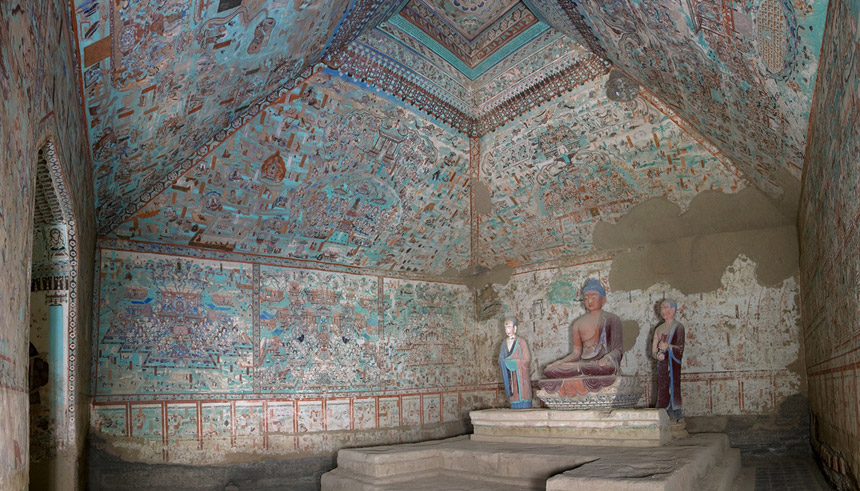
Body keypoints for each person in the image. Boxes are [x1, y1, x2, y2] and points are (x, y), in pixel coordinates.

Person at [539, 279, 622, 394]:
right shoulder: (578, 323)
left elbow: (618, 349)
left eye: (593, 297)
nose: (590, 301)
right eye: (586, 298)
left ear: (603, 300)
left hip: (601, 365)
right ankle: (577, 369)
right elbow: (576, 353)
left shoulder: (611, 319)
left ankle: (592, 368)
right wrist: (560, 362)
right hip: (583, 365)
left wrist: (606, 358)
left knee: (604, 367)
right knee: (550, 370)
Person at [651, 299, 685, 421]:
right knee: (662, 386)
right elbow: (654, 350)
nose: (663, 311)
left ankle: (675, 412)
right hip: (662, 364)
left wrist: (669, 347)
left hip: (673, 363)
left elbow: (680, 348)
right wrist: (657, 356)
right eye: (661, 308)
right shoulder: (658, 329)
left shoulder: (678, 327)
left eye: (666, 308)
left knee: (673, 385)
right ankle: (663, 410)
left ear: (673, 310)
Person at [498, 316, 532, 409]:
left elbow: (527, 359)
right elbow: (500, 359)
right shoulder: (503, 344)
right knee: (513, 397)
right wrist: (504, 362)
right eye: (505, 328)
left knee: (522, 396)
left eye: (509, 327)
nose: (507, 330)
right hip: (510, 376)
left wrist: (514, 362)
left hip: (520, 376)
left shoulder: (521, 342)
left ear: (515, 328)